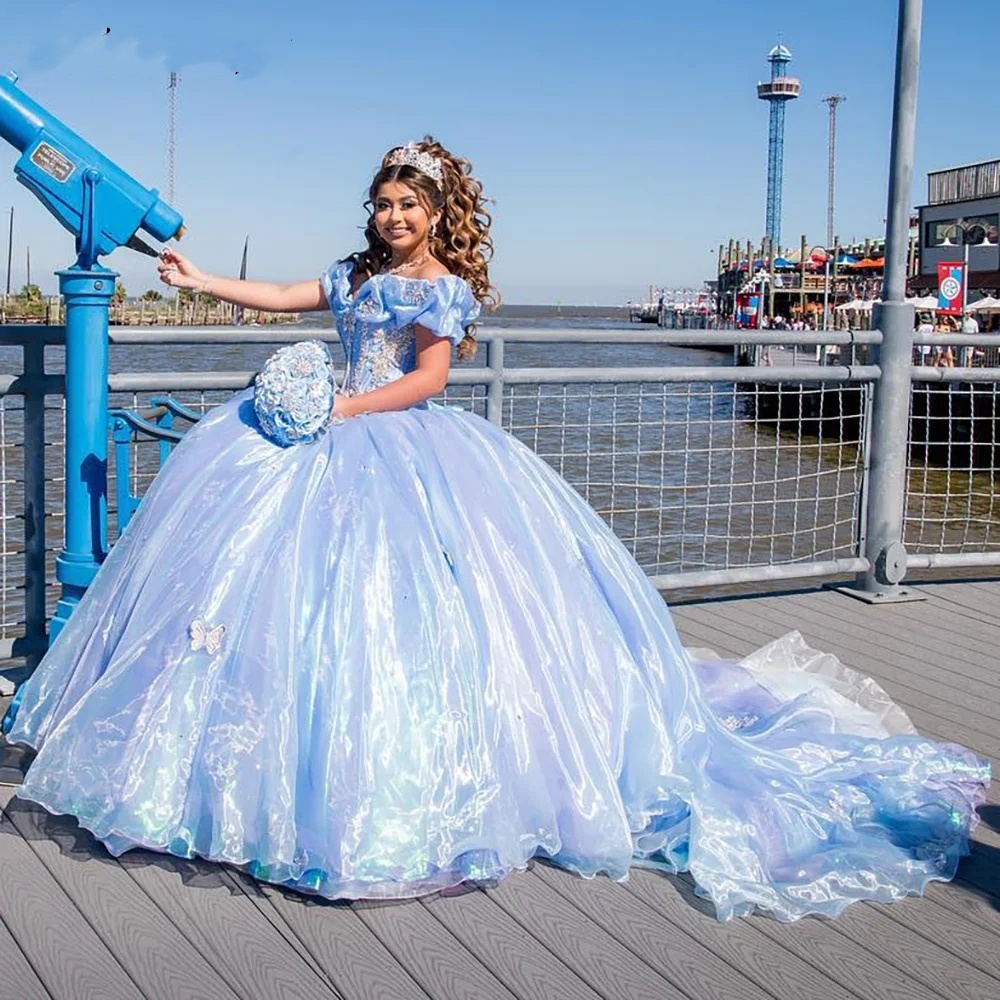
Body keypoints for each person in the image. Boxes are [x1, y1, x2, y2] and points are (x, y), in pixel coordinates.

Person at [2, 139, 989, 923]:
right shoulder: (350, 275)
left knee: (414, 614)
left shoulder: (438, 289)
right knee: (275, 604)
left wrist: (338, 413)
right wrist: (201, 275)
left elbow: (429, 379)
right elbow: (282, 298)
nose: (391, 218)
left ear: (434, 214)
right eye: (382, 204)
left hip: (395, 441)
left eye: (408, 206)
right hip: (322, 436)